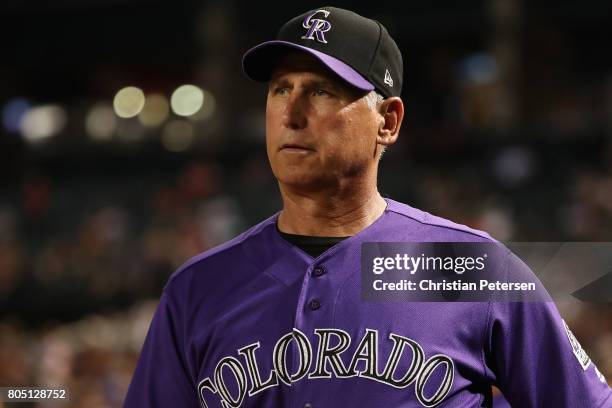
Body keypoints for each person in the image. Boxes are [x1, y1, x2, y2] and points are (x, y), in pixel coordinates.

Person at [124, 7, 611, 408]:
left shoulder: (466, 267)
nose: (291, 115)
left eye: (321, 90)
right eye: (280, 89)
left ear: (388, 121)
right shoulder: (196, 288)